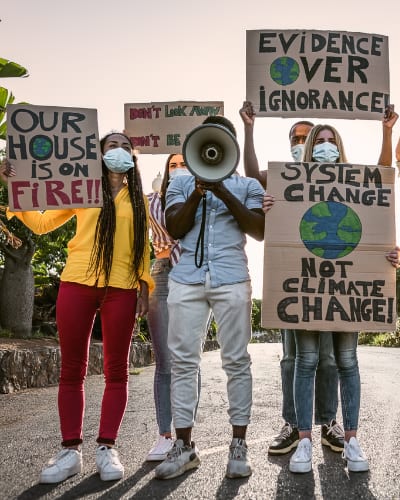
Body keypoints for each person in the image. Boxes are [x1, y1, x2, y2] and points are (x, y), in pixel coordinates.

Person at [1, 132, 154, 483]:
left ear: (134, 156)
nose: (119, 151)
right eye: (111, 146)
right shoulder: (81, 190)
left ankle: (107, 448)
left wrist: (144, 284)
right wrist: (11, 185)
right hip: (77, 282)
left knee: (117, 370)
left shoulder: (138, 199)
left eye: (125, 147)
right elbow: (41, 223)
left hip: (122, 287)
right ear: (97, 155)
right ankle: (70, 451)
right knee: (72, 369)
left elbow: (140, 243)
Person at [281, 117, 400, 474]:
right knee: (306, 361)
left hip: (346, 289)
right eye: (319, 141)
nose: (325, 147)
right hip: (308, 285)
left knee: (347, 362)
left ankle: (351, 440)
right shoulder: (291, 186)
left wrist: (386, 131)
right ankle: (304, 441)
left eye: (331, 141)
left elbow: (381, 179)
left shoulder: (355, 183)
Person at [154, 115, 265, 480]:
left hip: (232, 278)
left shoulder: (248, 185)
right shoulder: (182, 181)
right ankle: (184, 446)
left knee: (236, 360)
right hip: (186, 279)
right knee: (183, 362)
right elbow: (175, 227)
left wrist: (221, 190)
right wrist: (200, 191)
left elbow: (258, 229)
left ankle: (239, 445)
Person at [239, 100, 344, 456]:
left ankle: (329, 422)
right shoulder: (281, 177)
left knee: (327, 358)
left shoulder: (343, 177)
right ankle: (292, 423)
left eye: (307, 136)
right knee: (292, 359)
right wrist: (249, 127)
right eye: (296, 137)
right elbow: (252, 172)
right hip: (293, 280)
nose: (303, 142)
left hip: (330, 280)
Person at [145, 153, 190, 461]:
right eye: (172, 164)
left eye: (183, 164)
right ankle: (164, 435)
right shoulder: (150, 199)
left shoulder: (205, 194)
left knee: (189, 361)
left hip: (194, 275)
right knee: (165, 361)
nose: (177, 169)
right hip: (162, 273)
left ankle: (186, 435)